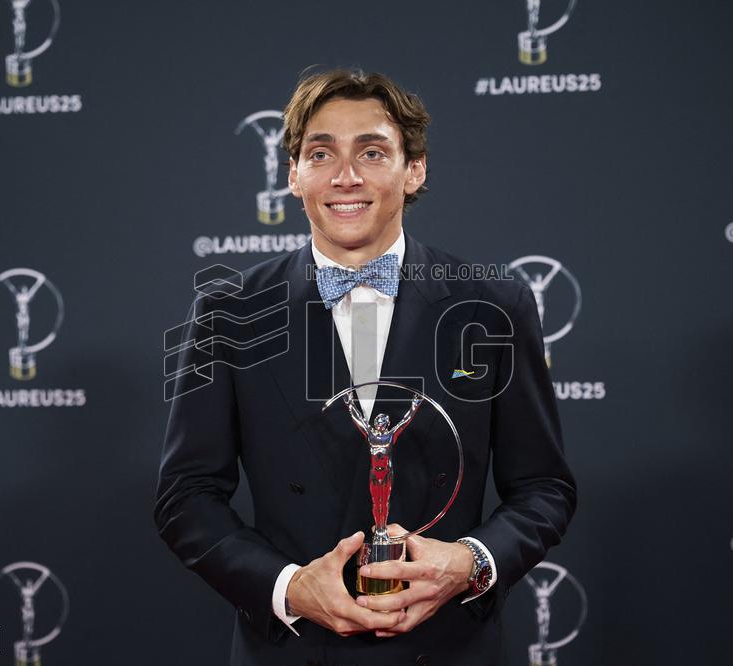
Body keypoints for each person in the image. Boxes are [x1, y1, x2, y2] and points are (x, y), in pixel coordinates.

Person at [155, 68, 576, 665]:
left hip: (448, 650)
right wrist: (289, 587)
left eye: (372, 152)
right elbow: (186, 495)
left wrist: (470, 563)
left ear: (415, 170)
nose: (345, 176)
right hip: (295, 650)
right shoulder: (230, 310)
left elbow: (543, 488)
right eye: (320, 153)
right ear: (293, 176)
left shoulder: (491, 306)